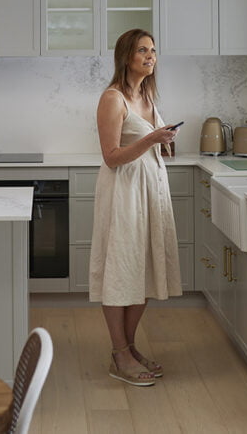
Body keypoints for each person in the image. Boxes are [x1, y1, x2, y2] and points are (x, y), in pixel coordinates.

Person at [89, 29, 183, 387]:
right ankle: (119, 354)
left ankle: (127, 347)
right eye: (143, 50)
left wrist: (166, 140)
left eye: (154, 50)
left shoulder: (147, 96)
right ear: (126, 55)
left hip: (150, 191)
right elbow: (111, 157)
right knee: (120, 269)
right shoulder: (112, 99)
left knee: (143, 268)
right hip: (124, 194)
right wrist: (152, 138)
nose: (150, 56)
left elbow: (152, 144)